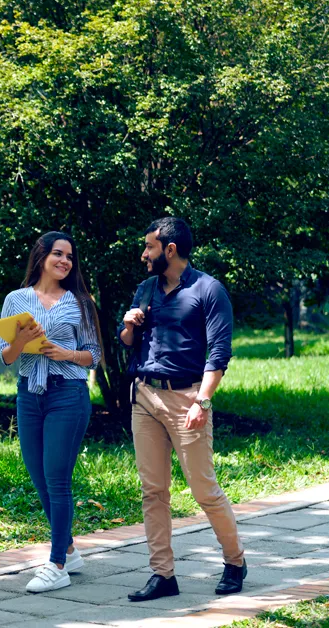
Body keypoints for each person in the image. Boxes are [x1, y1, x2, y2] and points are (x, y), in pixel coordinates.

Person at [120, 217, 246, 602]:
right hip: (145, 397)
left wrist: (203, 401)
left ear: (169, 250)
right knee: (152, 491)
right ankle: (163, 575)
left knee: (203, 488)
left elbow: (219, 353)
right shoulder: (146, 289)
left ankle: (235, 561)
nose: (144, 255)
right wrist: (128, 325)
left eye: (150, 248)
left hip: (187, 397)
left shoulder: (209, 290)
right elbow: (128, 341)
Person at [0, 231, 103, 593]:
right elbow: (7, 357)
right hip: (29, 394)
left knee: (57, 478)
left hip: (67, 395)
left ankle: (56, 564)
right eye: (58, 254)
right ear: (41, 256)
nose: (65, 261)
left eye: (70, 257)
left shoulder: (81, 303)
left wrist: (66, 354)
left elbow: (94, 354)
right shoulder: (16, 299)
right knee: (39, 476)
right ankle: (70, 549)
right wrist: (22, 342)